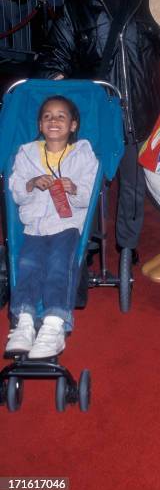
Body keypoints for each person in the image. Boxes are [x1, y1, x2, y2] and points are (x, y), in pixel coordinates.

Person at [37, 0, 160, 263]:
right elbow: (54, 54)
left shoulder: (148, 4)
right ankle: (90, 238)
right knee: (88, 179)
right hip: (93, 110)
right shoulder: (78, 2)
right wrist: (62, 83)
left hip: (138, 108)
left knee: (133, 185)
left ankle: (127, 243)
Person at [5, 96, 98, 358]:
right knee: (28, 264)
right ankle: (23, 321)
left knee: (59, 265)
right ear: (39, 124)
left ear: (73, 125)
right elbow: (16, 192)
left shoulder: (83, 154)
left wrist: (74, 188)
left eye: (60, 116)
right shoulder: (26, 153)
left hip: (67, 225)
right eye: (47, 116)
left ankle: (55, 324)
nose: (53, 120)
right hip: (34, 225)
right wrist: (32, 183)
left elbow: (89, 196)